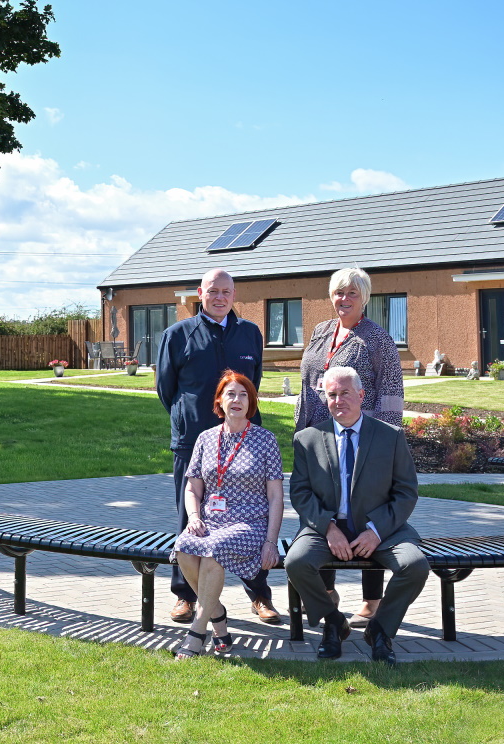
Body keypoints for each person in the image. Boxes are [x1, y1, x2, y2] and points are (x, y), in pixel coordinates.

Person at [156, 267, 281, 626]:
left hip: (244, 443)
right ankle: (185, 595)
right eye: (213, 291)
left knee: (251, 515)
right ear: (201, 293)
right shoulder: (177, 335)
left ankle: (259, 594)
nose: (220, 297)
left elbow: (250, 384)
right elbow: (167, 390)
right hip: (195, 443)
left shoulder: (249, 334)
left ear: (234, 295)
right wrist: (191, 420)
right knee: (190, 516)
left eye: (226, 291)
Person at [285, 366, 428, 665]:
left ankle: (379, 629)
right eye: (332, 395)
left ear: (361, 395)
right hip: (325, 528)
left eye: (345, 393)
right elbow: (300, 493)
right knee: (296, 562)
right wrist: (328, 528)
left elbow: (406, 492)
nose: (338, 401)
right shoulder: (308, 439)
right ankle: (334, 622)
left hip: (383, 529)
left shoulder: (390, 436)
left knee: (414, 565)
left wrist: (376, 530)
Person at [293, 266, 404, 628]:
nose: (344, 299)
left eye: (351, 294)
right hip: (319, 438)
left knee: (365, 511)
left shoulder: (378, 340)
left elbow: (391, 394)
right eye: (339, 293)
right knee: (323, 512)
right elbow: (309, 381)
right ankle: (326, 594)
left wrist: (388, 441)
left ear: (365, 298)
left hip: (365, 442)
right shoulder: (321, 331)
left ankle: (372, 602)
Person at [170, 371, 284, 659]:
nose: (237, 400)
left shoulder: (265, 440)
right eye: (231, 394)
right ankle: (218, 614)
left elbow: (276, 496)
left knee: (212, 552)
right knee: (183, 548)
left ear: (251, 402)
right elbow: (192, 488)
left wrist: (271, 542)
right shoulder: (206, 439)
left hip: (250, 524)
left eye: (244, 395)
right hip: (210, 522)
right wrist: (194, 517)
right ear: (219, 400)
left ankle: (198, 631)